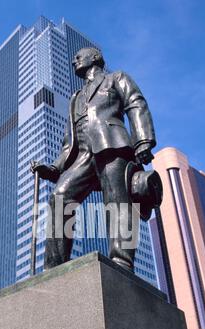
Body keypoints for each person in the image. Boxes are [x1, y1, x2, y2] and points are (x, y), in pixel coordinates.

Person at [31, 47, 156, 271]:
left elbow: (135, 103)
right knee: (60, 196)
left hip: (111, 145)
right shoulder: (75, 98)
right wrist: (53, 168)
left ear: (95, 57)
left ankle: (122, 262)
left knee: (117, 201)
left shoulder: (115, 78)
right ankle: (54, 267)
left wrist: (142, 140)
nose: (73, 60)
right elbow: (68, 142)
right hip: (83, 155)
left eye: (79, 56)